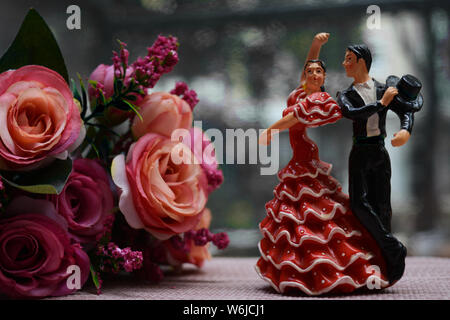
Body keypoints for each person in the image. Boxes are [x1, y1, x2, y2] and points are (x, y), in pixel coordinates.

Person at [255, 34, 389, 295]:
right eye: (310, 71)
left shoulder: (317, 100)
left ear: (324, 78)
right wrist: (316, 44)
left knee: (312, 211)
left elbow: (294, 118)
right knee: (299, 211)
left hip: (306, 155)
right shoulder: (302, 92)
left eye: (319, 72)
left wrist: (270, 130)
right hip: (301, 156)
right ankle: (298, 263)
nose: (314, 74)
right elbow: (308, 66)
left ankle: (324, 266)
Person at [336, 44, 410, 284]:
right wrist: (381, 104)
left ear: (361, 62)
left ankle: (387, 265)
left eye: (348, 59)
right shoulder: (345, 95)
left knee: (382, 205)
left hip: (379, 151)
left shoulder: (382, 88)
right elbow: (353, 113)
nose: (344, 64)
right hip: (359, 151)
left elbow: (406, 111)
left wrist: (405, 130)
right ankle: (391, 246)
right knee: (358, 203)